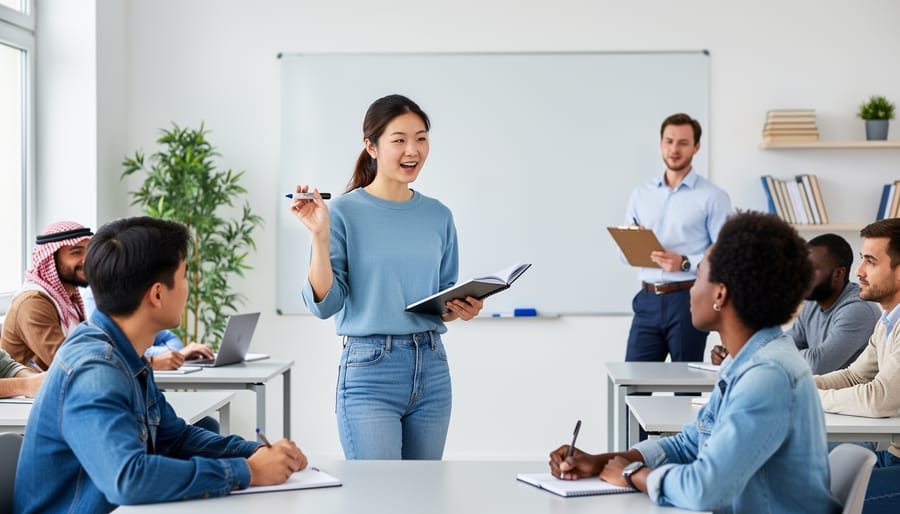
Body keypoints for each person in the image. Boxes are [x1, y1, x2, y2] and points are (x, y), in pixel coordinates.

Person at [550, 211, 839, 514]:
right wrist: (603, 461)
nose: (689, 287)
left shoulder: (767, 375)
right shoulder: (744, 361)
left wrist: (631, 474)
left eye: (698, 274)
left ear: (720, 293)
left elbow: (704, 489)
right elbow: (689, 445)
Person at [13, 216, 307, 513]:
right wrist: (248, 471)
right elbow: (128, 479)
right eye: (183, 278)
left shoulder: (127, 354)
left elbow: (175, 437)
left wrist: (257, 453)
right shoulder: (95, 370)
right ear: (156, 294)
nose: (188, 288)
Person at [290, 94, 483, 460]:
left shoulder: (439, 215)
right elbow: (325, 305)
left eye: (421, 138)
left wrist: (460, 308)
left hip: (432, 368)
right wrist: (318, 235)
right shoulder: (342, 212)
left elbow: (441, 300)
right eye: (399, 139)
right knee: (378, 496)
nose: (413, 149)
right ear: (372, 146)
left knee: (422, 496)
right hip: (369, 370)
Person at [624, 113, 732, 364]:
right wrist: (634, 246)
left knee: (686, 386)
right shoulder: (641, 194)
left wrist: (684, 262)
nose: (674, 149)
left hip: (689, 299)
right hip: (647, 299)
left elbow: (725, 256)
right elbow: (624, 254)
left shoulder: (713, 197)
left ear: (696, 147)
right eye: (669, 141)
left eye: (683, 143)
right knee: (631, 385)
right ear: (661, 143)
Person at [814, 219, 900, 514]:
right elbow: (854, 375)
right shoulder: (887, 321)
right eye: (861, 258)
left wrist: (811, 397)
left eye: (871, 261)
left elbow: (879, 398)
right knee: (797, 469)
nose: (859, 271)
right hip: (891, 455)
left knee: (819, 499)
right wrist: (804, 385)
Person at [711, 233, 880, 375]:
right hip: (822, 400)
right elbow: (784, 342)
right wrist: (738, 351)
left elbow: (817, 364)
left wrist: (759, 353)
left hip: (851, 410)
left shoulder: (858, 309)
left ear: (838, 274)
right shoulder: (814, 303)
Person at [1, 221, 92, 369]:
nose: (88, 260)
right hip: (31, 391)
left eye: (89, 251)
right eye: (76, 252)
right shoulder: (33, 302)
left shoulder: (69, 299)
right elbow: (68, 362)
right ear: (51, 259)